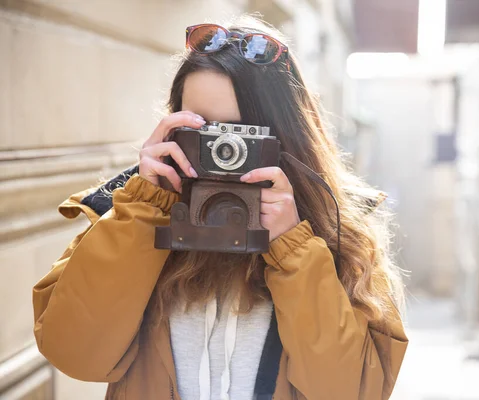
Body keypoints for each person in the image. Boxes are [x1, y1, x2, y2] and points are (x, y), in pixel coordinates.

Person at [32, 16, 408, 400]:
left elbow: (351, 392)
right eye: (202, 130)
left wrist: (294, 248)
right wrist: (146, 209)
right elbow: (75, 354)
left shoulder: (342, 233)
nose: (222, 151)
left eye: (239, 133)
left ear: (285, 135)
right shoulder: (132, 216)